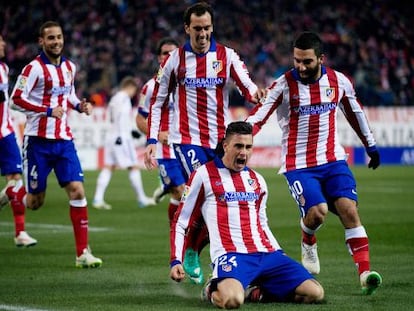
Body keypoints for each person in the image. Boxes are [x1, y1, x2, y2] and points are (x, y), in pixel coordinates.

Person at [246, 31, 382, 294]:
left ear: (321, 58)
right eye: (297, 60)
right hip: (299, 165)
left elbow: (355, 113)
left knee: (349, 210)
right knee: (318, 211)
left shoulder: (338, 81)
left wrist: (371, 145)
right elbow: (258, 117)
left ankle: (365, 274)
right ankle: (308, 238)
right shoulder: (283, 85)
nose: (301, 66)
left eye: (307, 61)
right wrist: (237, 136)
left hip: (332, 160)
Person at [144, 1, 265, 284]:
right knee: (207, 192)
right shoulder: (173, 60)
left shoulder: (227, 56)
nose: (202, 34)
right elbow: (158, 101)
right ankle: (189, 253)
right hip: (187, 141)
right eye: (197, 28)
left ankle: (193, 250)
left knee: (222, 200)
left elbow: (247, 86)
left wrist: (256, 93)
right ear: (187, 28)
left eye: (207, 28)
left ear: (212, 27)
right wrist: (151, 139)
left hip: (221, 141)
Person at [170, 121, 324, 309]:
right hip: (232, 255)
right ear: (225, 146)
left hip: (267, 254)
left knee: (315, 293)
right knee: (232, 300)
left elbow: (262, 223)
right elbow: (181, 221)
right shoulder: (203, 175)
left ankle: (255, 291)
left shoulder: (257, 180)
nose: (244, 152)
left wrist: (278, 251)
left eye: (248, 147)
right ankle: (212, 287)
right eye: (238, 146)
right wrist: (175, 260)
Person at [9, 21, 102, 268]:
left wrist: (79, 106)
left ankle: (82, 253)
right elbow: (15, 100)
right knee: (35, 202)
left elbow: (68, 96)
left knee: (77, 191)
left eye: (59, 37)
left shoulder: (70, 67)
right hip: (37, 143)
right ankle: (14, 191)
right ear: (42, 41)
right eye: (51, 38)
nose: (56, 42)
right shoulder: (33, 69)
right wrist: (47, 111)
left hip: (64, 141)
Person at [136, 37, 186, 221]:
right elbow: (140, 119)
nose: (170, 56)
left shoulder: (188, 85)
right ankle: (178, 233)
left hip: (188, 147)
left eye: (173, 53)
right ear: (159, 58)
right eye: (166, 53)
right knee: (182, 194)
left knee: (185, 194)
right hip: (166, 152)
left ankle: (166, 187)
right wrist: (156, 135)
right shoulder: (150, 87)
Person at [92, 76, 155, 210]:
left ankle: (98, 199)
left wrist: (130, 130)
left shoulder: (115, 97)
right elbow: (121, 117)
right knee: (133, 166)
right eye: (134, 90)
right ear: (130, 87)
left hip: (112, 135)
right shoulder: (124, 98)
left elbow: (112, 117)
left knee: (109, 166)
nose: (133, 93)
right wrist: (122, 134)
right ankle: (142, 199)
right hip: (121, 137)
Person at [0, 34, 37, 247]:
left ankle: (20, 232)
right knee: (16, 181)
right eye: (0, 41)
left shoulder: (4, 69)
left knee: (15, 179)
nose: (4, 44)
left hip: (5, 134)